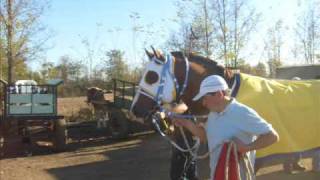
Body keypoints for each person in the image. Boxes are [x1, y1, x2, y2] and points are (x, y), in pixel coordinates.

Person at [172, 75, 279, 179]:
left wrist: (246, 148)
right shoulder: (213, 114)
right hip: (217, 175)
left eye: (205, 98)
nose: (204, 103)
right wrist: (185, 123)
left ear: (219, 94)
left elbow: (272, 136)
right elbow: (206, 136)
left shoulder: (242, 113)